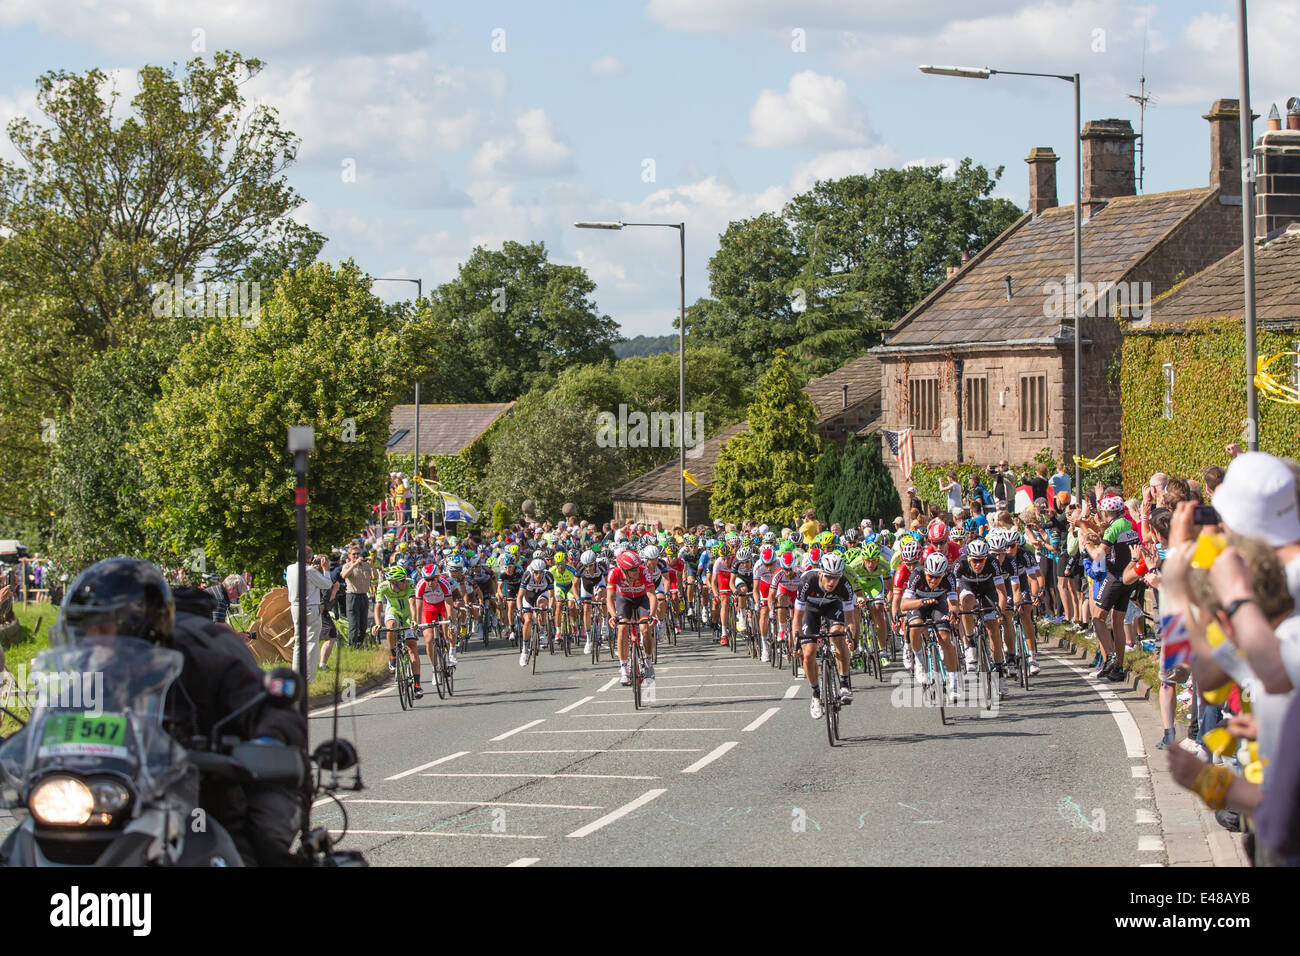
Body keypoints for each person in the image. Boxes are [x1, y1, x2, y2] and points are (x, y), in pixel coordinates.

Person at [46, 557, 306, 866]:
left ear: (141, 623)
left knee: (261, 844)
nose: (95, 639)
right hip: (110, 796)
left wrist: (265, 741)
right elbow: (52, 721)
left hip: (205, 791)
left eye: (106, 626)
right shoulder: (91, 670)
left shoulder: (209, 649)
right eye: (86, 629)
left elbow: (270, 710)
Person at [286, 549, 333, 682]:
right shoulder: (310, 571)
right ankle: (308, 678)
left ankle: (296, 675)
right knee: (311, 642)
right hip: (310, 607)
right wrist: (326, 569)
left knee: (299, 642)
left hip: (295, 606)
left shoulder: (290, 568)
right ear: (309, 558)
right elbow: (327, 584)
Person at [340, 545, 377, 648]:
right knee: (353, 624)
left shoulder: (365, 566)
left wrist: (372, 566)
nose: (356, 556)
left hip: (363, 596)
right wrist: (354, 565)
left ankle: (359, 645)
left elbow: (375, 577)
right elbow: (344, 575)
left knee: (363, 623)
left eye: (358, 554)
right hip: (352, 596)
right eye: (354, 554)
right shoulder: (347, 565)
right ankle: (351, 645)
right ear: (349, 555)